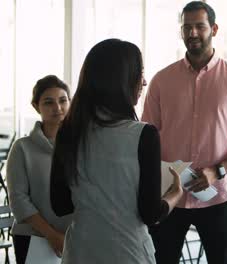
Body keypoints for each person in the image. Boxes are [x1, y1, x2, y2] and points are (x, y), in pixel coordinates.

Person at [141, 1, 227, 263]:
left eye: (199, 26)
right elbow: (146, 137)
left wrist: (217, 170)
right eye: (187, 27)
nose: (192, 33)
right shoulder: (162, 80)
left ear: (214, 29)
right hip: (169, 197)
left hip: (219, 197)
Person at [49, 38, 183, 264]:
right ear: (123, 80)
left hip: (80, 252)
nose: (144, 81)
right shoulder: (144, 135)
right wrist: (173, 195)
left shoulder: (69, 131)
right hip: (127, 253)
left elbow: (60, 205)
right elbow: (150, 213)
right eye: (140, 74)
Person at [6, 75, 72, 263]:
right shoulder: (22, 148)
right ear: (36, 106)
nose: (57, 108)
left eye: (63, 100)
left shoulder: (80, 147)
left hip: (74, 239)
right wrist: (52, 235)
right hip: (33, 238)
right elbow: (19, 200)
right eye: (48, 102)